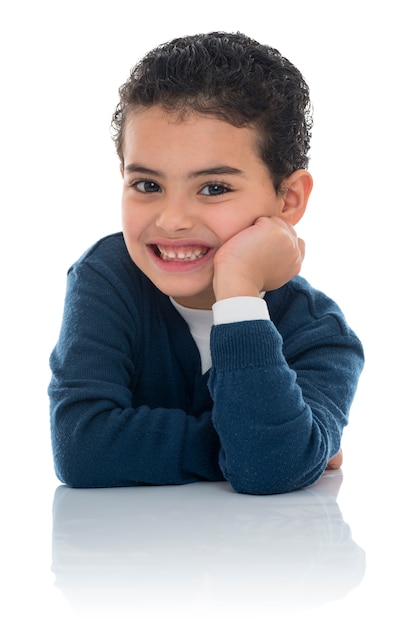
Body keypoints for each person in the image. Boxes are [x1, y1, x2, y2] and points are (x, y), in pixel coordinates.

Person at [48, 32, 364, 495]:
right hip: (125, 564)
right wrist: (267, 444)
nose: (172, 219)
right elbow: (81, 448)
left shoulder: (321, 337)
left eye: (214, 188)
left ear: (289, 199)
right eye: (147, 185)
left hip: (263, 564)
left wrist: (238, 293)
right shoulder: (107, 277)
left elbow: (269, 470)